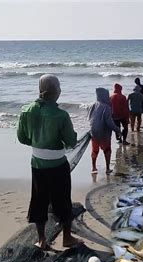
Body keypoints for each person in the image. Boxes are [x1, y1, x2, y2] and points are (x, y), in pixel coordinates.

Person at [17, 74, 82, 249]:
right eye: (59, 88)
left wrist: (39, 142)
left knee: (39, 200)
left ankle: (41, 240)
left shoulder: (26, 111)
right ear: (55, 92)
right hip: (58, 165)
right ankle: (67, 238)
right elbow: (71, 142)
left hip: (37, 164)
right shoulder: (61, 115)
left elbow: (22, 138)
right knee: (62, 201)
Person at [89, 87, 121, 175]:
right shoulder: (106, 107)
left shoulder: (92, 105)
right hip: (104, 133)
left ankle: (94, 167)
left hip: (93, 132)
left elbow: (89, 118)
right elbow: (109, 123)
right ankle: (107, 168)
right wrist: (118, 130)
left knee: (94, 150)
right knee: (107, 150)